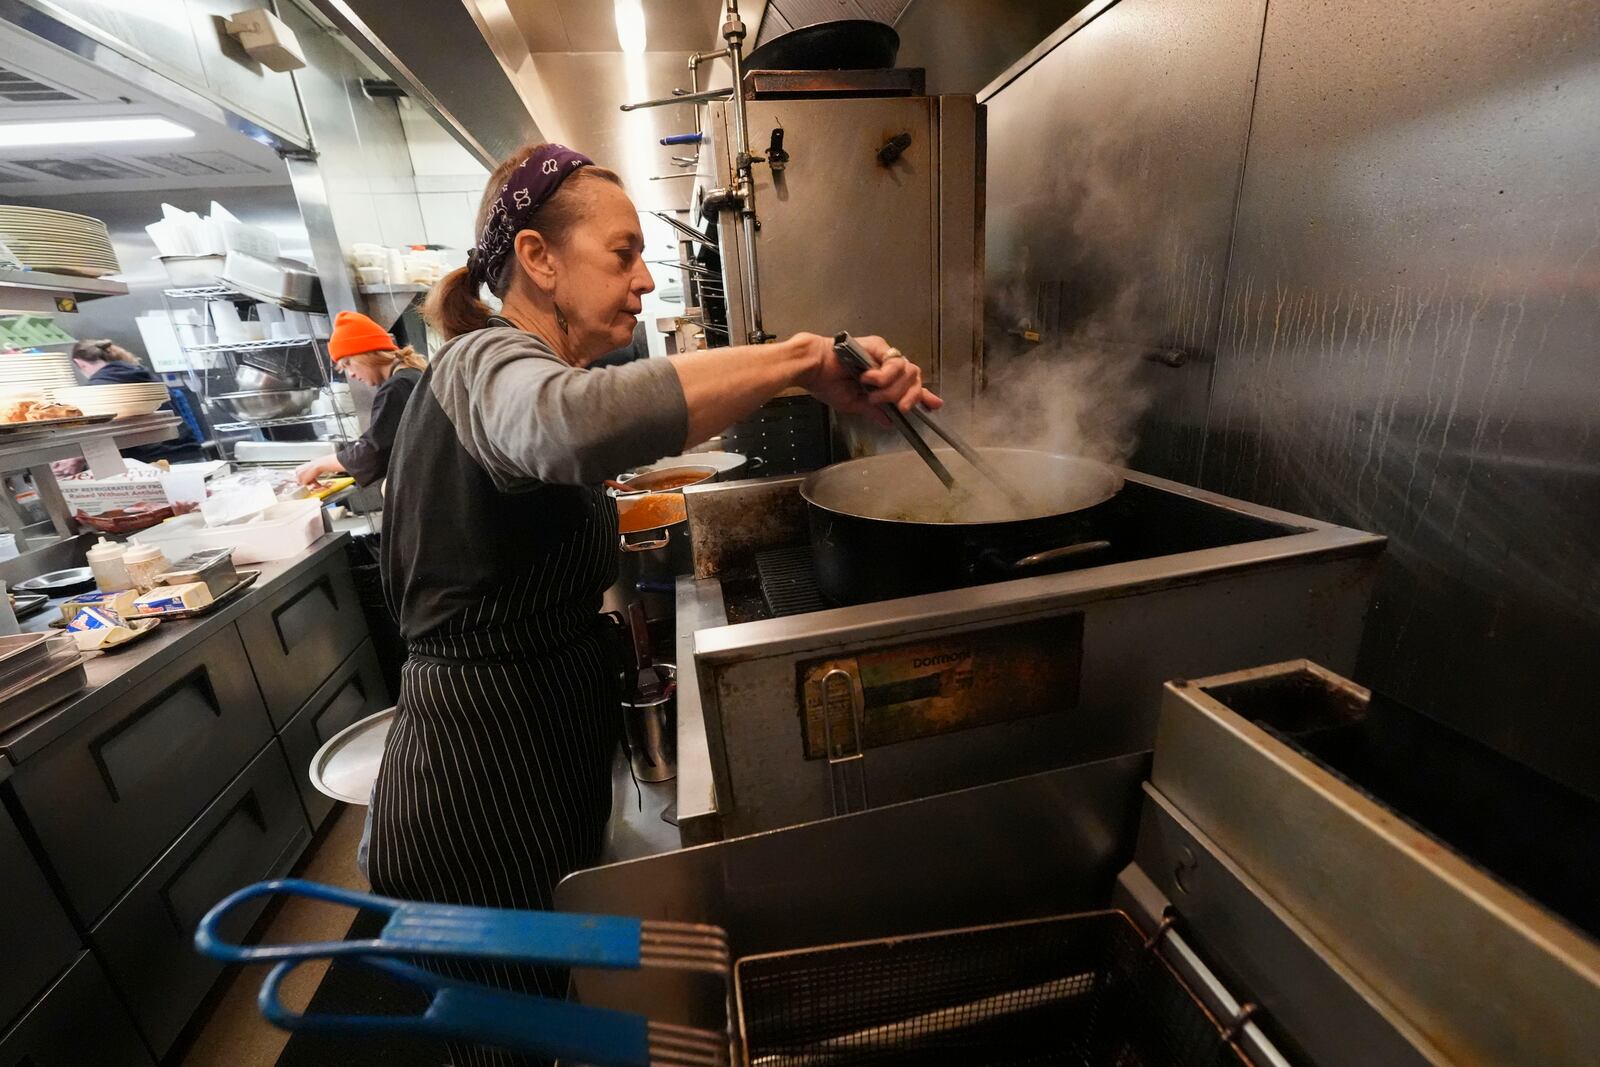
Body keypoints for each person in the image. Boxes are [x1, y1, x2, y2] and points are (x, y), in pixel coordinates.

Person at [369, 142, 935, 1067]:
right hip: (473, 784)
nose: (642, 282)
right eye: (622, 253)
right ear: (538, 260)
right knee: (507, 1045)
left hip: (532, 755)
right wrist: (801, 358)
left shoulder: (526, 364)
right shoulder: (482, 361)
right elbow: (568, 426)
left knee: (547, 1025)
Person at [293, 310, 425, 488]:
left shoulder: (398, 386)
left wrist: (319, 465)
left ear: (367, 353)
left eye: (348, 363)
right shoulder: (412, 375)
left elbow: (375, 451)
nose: (351, 374)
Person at [64, 339, 204, 465]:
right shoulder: (141, 373)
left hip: (153, 462)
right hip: (188, 452)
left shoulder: (97, 389)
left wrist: (79, 457)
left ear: (79, 363)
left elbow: (102, 432)